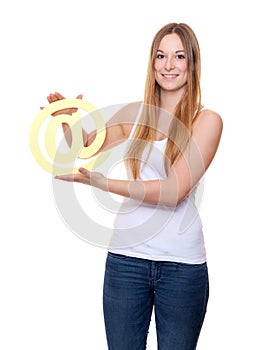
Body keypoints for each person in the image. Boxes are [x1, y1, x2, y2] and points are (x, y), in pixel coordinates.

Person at [46, 22, 223, 350]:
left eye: (179, 56)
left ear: (192, 64)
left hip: (181, 268)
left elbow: (174, 191)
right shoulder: (136, 114)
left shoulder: (207, 120)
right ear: (152, 63)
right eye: (161, 55)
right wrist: (68, 120)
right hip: (125, 261)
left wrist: (104, 182)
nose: (168, 65)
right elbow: (85, 147)